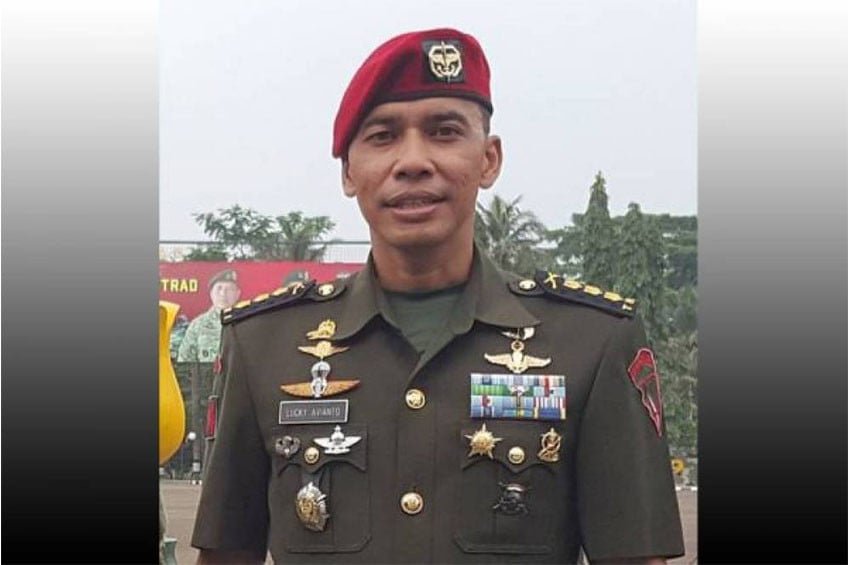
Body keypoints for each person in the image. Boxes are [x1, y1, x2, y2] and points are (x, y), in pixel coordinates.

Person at [192, 28, 684, 564]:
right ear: (349, 172)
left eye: (444, 132)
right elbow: (226, 554)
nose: (413, 161)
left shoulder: (590, 341)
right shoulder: (264, 345)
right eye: (382, 136)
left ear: (489, 159)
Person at [177, 269, 242, 364]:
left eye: (229, 289)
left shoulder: (247, 322)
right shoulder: (198, 325)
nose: (223, 294)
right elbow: (185, 361)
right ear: (211, 293)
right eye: (219, 288)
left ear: (237, 294)